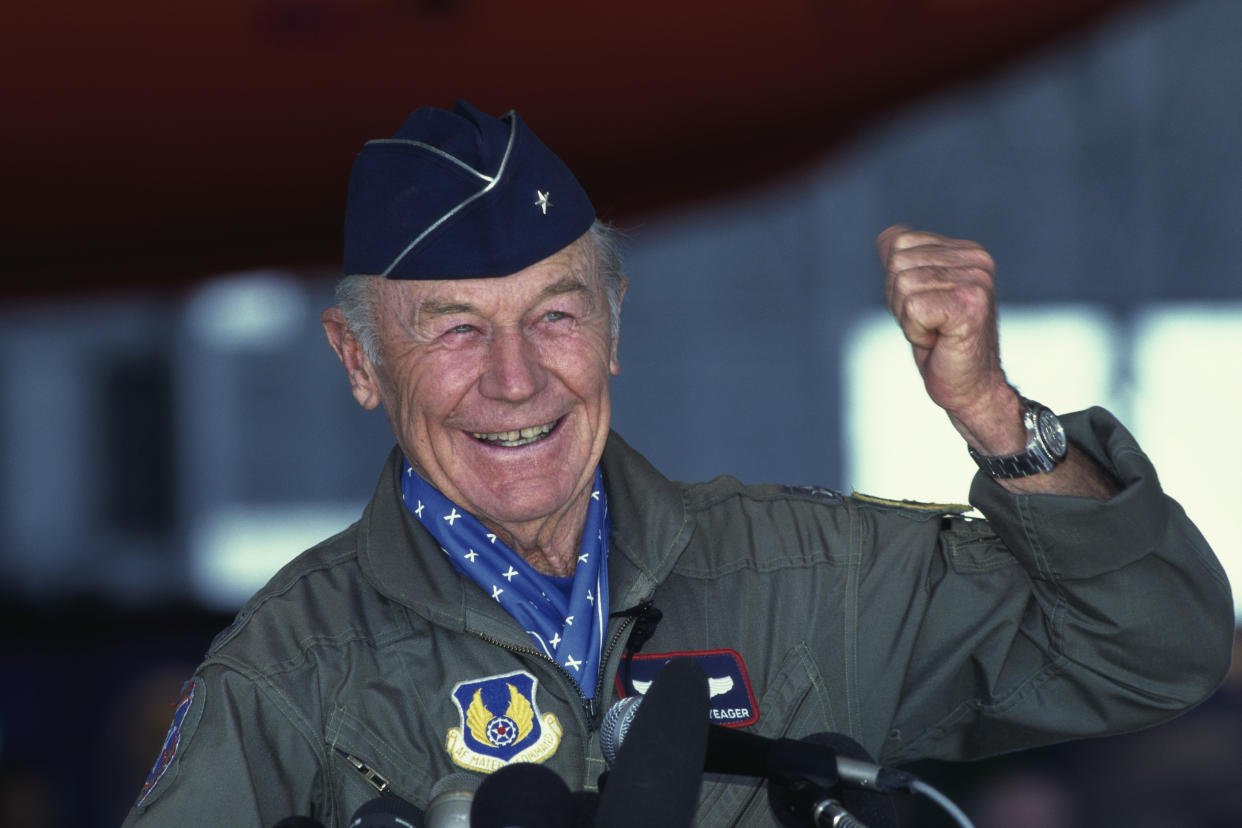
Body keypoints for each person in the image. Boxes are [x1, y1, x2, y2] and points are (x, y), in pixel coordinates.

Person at [120, 101, 1233, 827]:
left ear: (614, 327)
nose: (515, 380)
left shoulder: (808, 577)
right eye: (454, 329)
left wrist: (997, 417)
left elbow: (1157, 651)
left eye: (555, 315)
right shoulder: (290, 671)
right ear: (359, 360)